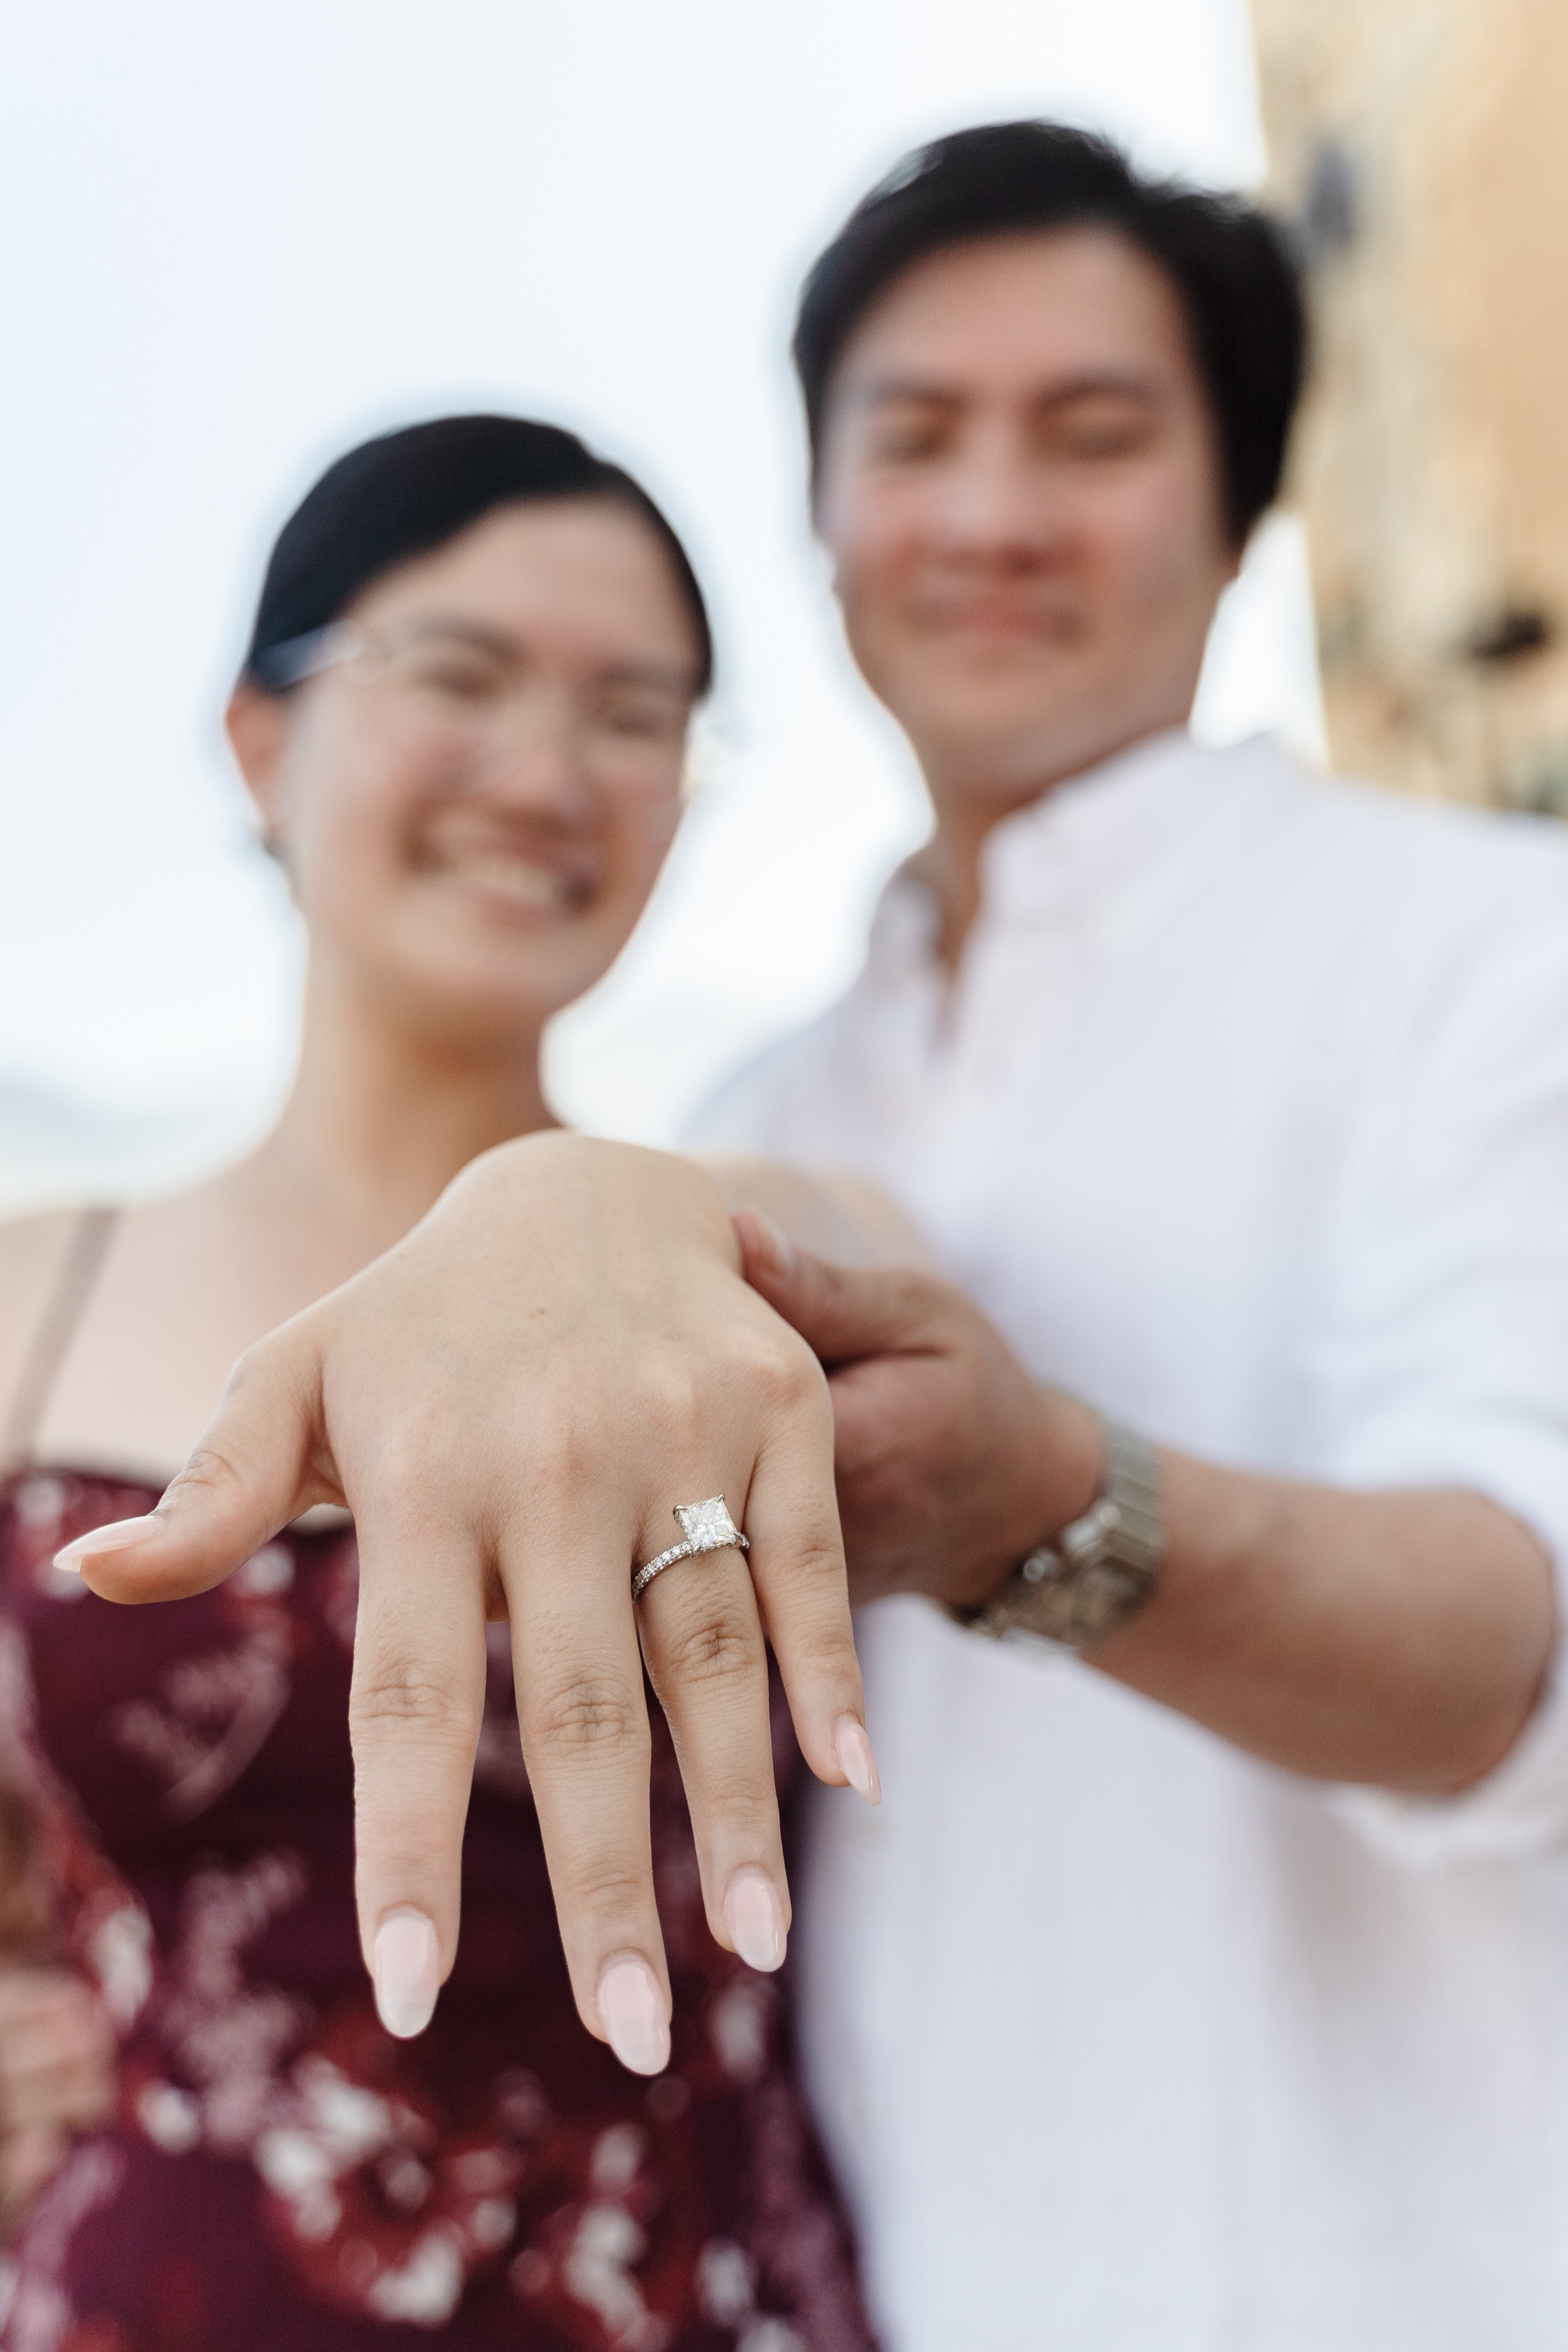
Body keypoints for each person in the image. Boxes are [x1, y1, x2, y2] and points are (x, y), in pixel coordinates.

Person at [58, 125, 1568, 2348]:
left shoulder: (1482, 953)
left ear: (1243, 509)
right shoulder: (783, 1092)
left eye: (1094, 433)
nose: (986, 513)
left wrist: (1038, 1501)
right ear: (828, 516)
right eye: (916, 436)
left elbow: (1517, 1656)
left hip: (1354, 2271)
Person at [0, 415, 886, 2347]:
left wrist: (581, 1203)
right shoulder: (25, 1298)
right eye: (461, 676)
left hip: (679, 2295)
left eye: (637, 713)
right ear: (261, 741)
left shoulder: (776, 1248)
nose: (550, 772)